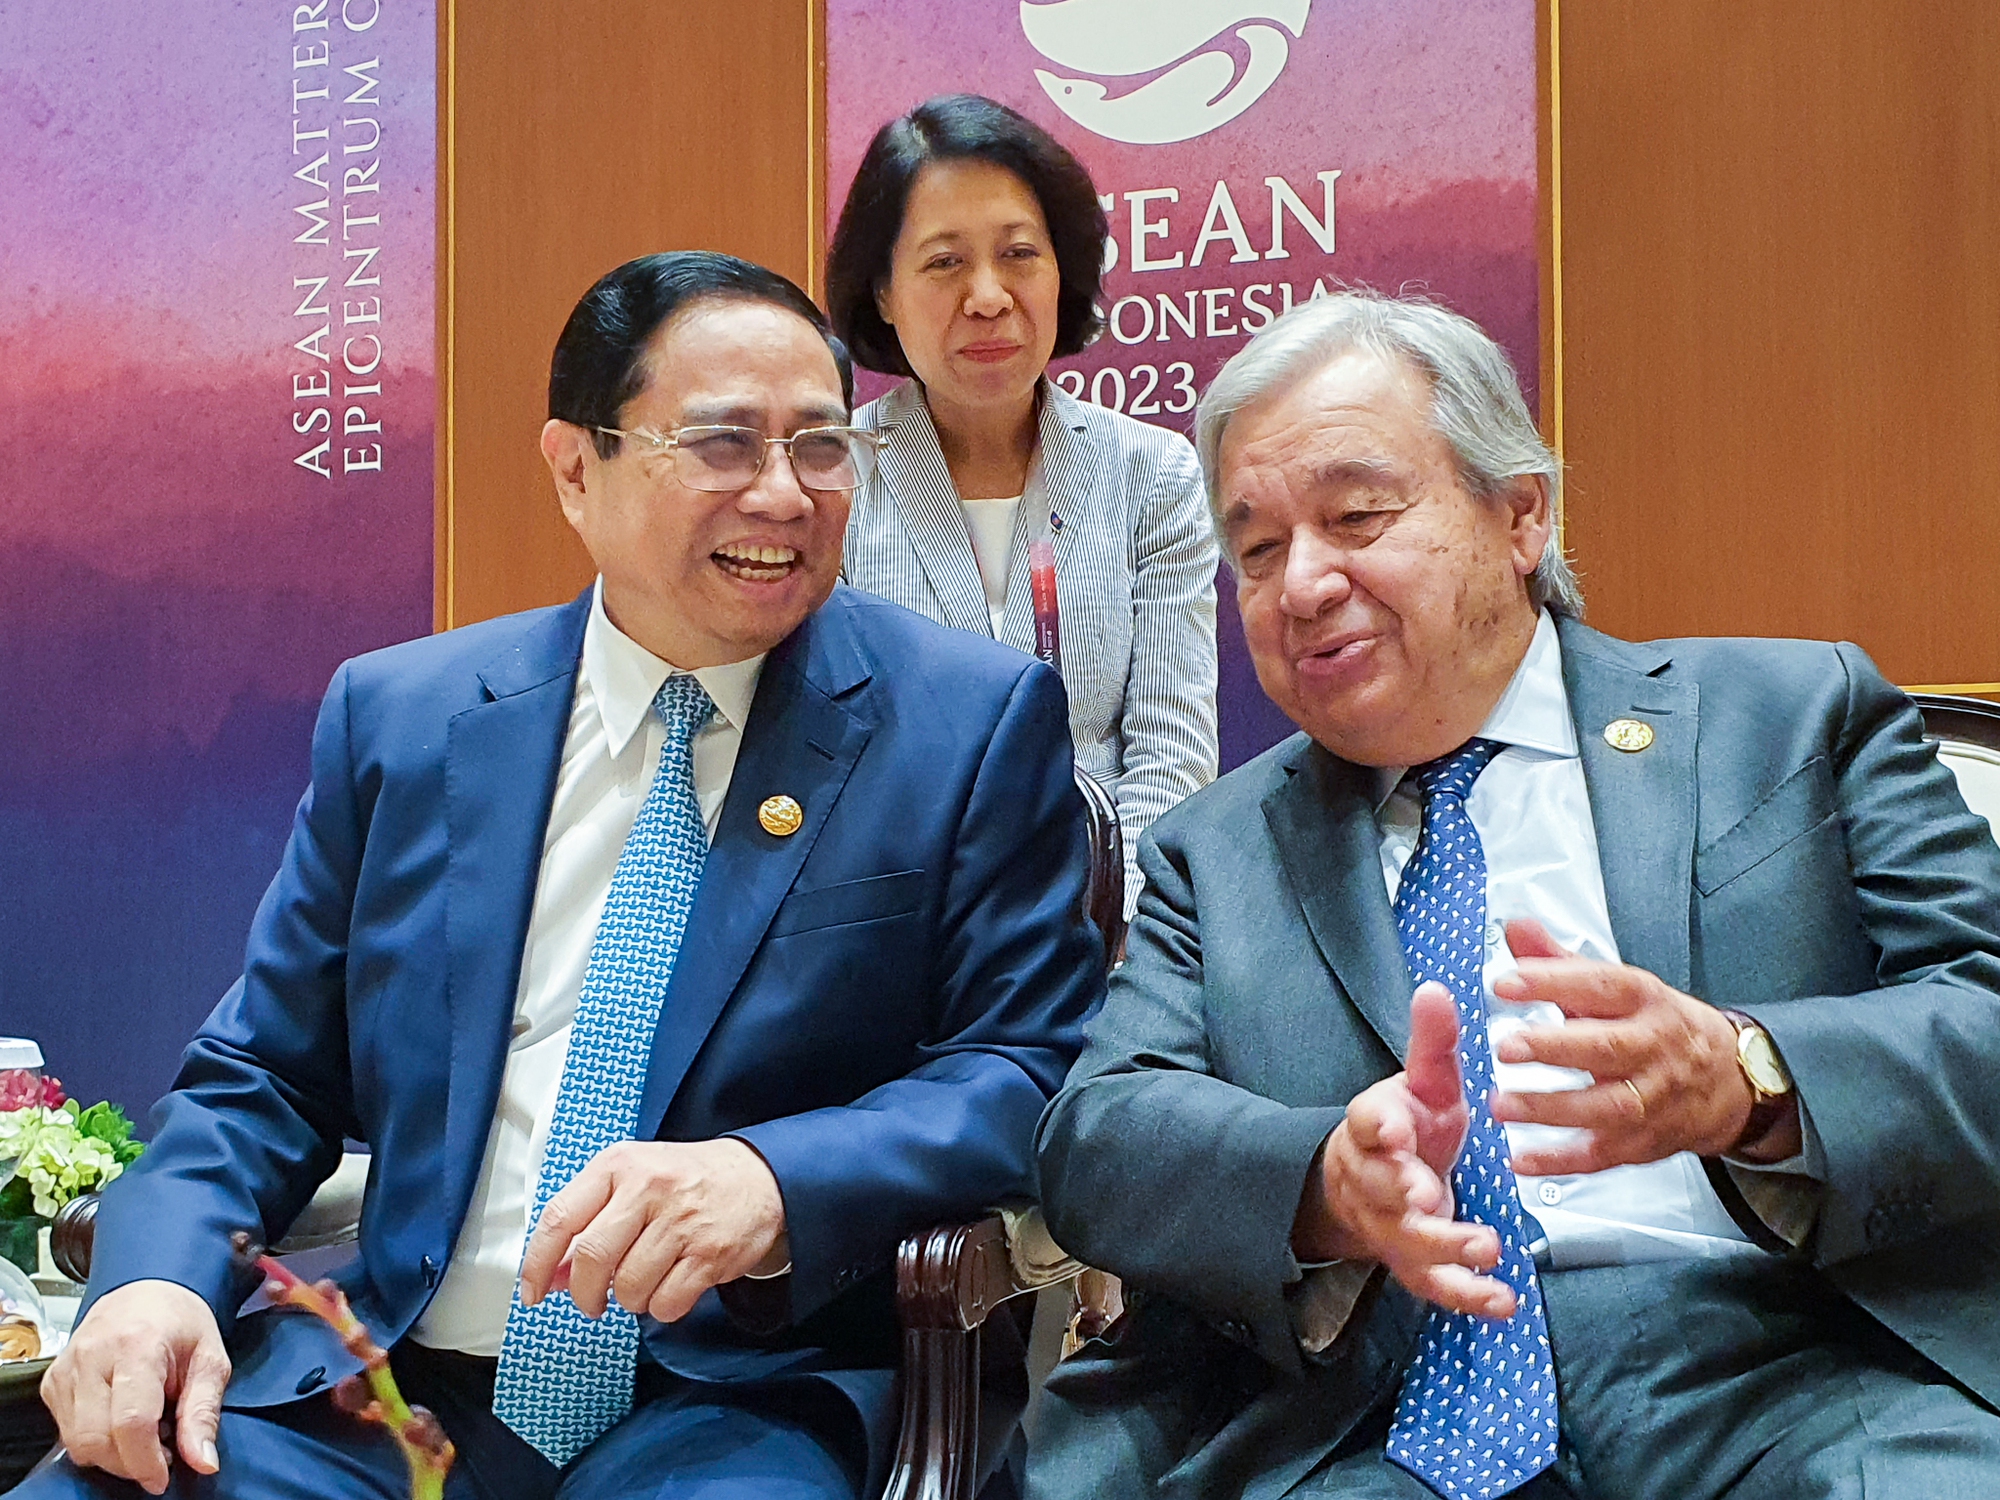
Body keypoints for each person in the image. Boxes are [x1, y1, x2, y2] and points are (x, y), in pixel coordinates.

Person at [26, 252, 1102, 1500]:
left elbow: (1026, 1066)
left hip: (733, 1402)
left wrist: (771, 1174)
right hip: (380, 1385)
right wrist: (153, 1279)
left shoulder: (965, 725)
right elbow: (261, 1075)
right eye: (721, 444)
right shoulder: (406, 719)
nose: (783, 493)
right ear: (574, 470)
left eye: (818, 447)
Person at [1029, 289, 2000, 1499]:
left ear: (1519, 514)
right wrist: (1321, 1182)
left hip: (1799, 1367)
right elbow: (1096, 1139)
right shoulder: (1209, 850)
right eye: (1258, 548)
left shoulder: (1791, 718)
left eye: (1356, 514)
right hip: (1373, 1409)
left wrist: (1749, 1078)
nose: (1301, 584)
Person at [828, 93, 1218, 916]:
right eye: (943, 263)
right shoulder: (831, 475)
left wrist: (1105, 934)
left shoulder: (1153, 473)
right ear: (884, 292)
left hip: (1104, 931)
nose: (988, 296)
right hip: (891, 927)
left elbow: (1172, 761)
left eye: (1018, 255)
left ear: (1061, 271)